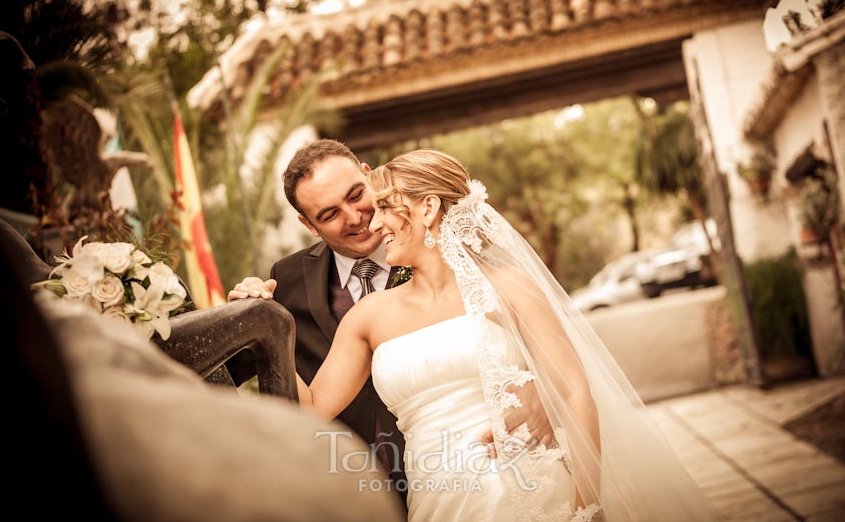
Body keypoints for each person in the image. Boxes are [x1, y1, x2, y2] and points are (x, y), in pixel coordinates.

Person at [293, 149, 714, 521]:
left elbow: (574, 391)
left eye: (385, 207)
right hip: (438, 502)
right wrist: (267, 324)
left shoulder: (508, 287)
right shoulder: (367, 317)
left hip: (536, 491)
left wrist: (587, 507)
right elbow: (311, 407)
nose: (373, 221)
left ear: (428, 208)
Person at [228, 140, 551, 504]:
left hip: (512, 469)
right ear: (309, 225)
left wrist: (546, 393)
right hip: (365, 487)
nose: (356, 218)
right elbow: (284, 395)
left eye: (356, 195)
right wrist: (256, 319)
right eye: (330, 214)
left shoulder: (476, 260)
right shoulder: (287, 282)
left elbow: (550, 354)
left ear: (369, 177)